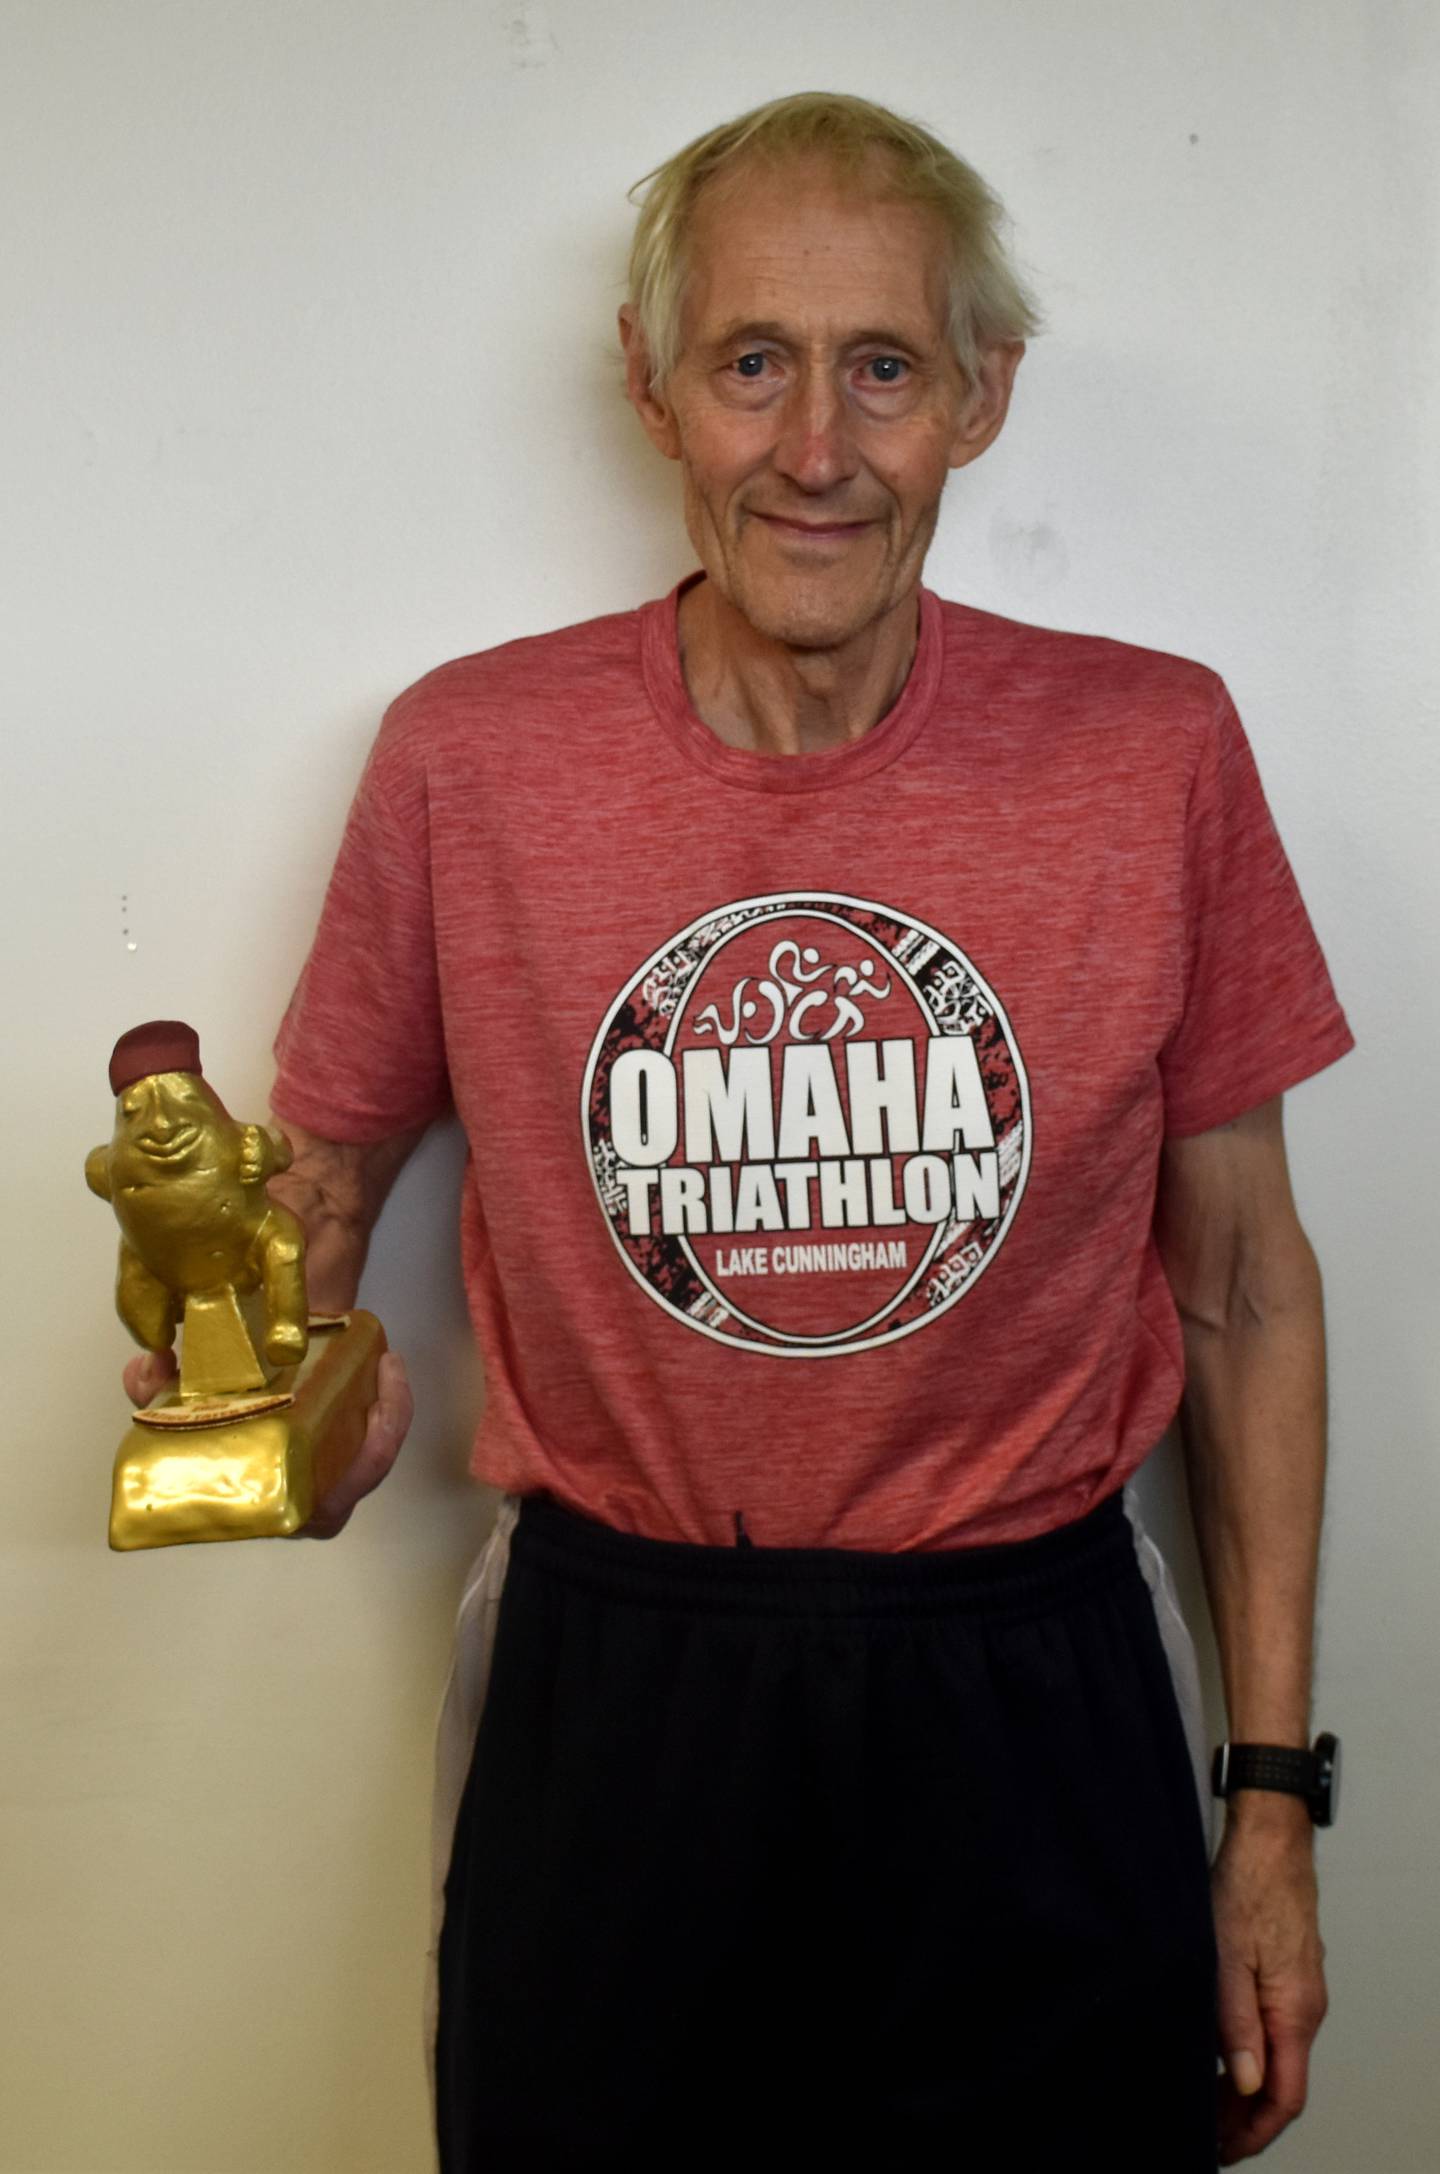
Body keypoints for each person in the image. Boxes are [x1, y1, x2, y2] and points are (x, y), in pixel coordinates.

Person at [127, 91, 1352, 2170]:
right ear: (650, 382)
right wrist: (265, 1406)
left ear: (980, 394)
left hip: (1031, 1671)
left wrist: (1267, 1807)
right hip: (618, 1683)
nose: (814, 448)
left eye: (882, 366)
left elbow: (1239, 1293)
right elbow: (302, 1221)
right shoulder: (467, 760)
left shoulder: (1155, 751)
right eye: (752, 363)